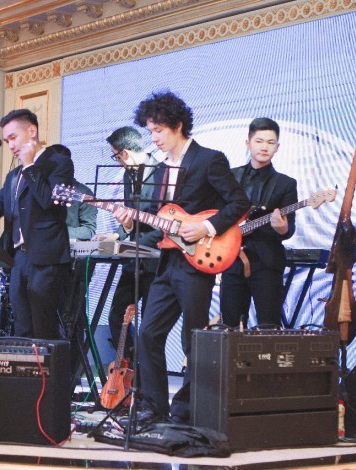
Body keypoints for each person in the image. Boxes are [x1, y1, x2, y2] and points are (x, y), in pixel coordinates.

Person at [132, 91, 250, 425]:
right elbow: (161, 220)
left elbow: (239, 203)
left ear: (178, 125)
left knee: (193, 339)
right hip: (167, 263)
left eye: (158, 131)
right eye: (151, 131)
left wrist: (206, 227)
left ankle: (186, 411)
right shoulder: (159, 171)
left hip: (197, 262)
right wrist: (129, 223)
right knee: (148, 334)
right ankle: (155, 408)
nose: (154, 138)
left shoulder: (208, 159)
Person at [0, 109, 74, 339]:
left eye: (13, 137)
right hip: (19, 257)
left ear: (32, 131)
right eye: (6, 141)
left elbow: (50, 202)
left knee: (44, 326)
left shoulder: (58, 162)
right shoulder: (14, 175)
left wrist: (30, 166)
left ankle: (48, 364)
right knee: (22, 325)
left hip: (47, 257)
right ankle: (26, 363)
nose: (10, 145)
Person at [94, 126, 165, 359]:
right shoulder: (128, 175)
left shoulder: (163, 173)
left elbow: (164, 224)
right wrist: (119, 234)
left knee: (151, 325)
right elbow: (132, 218)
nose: (117, 161)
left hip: (157, 258)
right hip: (133, 259)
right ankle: (129, 369)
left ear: (124, 153)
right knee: (117, 316)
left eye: (115, 156)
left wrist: (134, 239)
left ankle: (147, 372)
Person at [220, 118, 297, 328]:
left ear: (278, 147)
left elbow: (289, 228)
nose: (265, 147)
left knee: (269, 327)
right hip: (231, 259)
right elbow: (217, 215)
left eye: (271, 142)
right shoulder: (230, 177)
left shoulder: (286, 184)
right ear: (248, 143)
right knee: (229, 328)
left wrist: (282, 228)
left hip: (267, 261)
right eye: (259, 141)